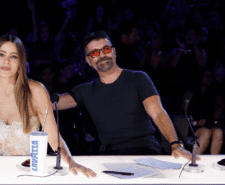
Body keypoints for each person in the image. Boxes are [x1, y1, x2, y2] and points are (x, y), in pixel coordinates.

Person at [0, 35, 95, 178]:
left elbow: (54, 138)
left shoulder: (36, 91)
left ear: (21, 62)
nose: (6, 61)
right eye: (1, 54)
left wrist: (71, 161)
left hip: (29, 170)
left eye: (13, 56)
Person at [56, 30, 194, 159]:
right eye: (95, 53)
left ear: (114, 51)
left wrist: (175, 145)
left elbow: (157, 113)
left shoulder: (138, 78)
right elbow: (52, 102)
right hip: (106, 154)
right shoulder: (85, 90)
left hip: (143, 151)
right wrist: (35, 88)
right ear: (88, 61)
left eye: (106, 49)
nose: (102, 55)